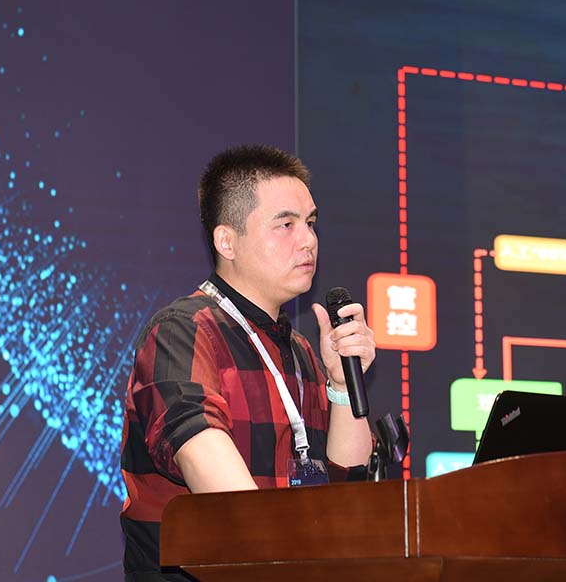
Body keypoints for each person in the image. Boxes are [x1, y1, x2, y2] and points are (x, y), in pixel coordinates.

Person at [118, 145, 375, 581]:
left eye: (311, 223)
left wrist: (341, 385)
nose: (308, 240)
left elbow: (347, 491)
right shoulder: (183, 331)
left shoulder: (302, 351)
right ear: (227, 241)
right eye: (286, 225)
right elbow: (219, 489)